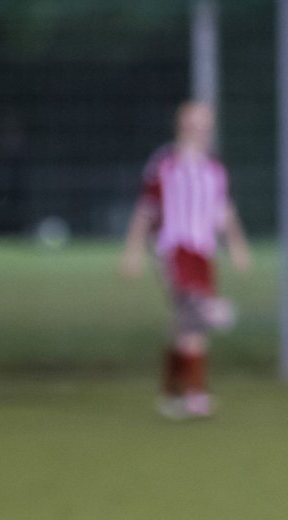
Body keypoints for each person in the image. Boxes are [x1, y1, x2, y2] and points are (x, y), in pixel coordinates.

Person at [121, 101, 249, 420]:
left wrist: (237, 245)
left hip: (203, 252)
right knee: (194, 316)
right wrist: (133, 252)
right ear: (182, 125)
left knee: (182, 323)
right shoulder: (164, 166)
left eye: (206, 124)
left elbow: (223, 211)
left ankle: (170, 392)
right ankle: (195, 393)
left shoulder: (215, 171)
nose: (200, 130)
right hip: (174, 250)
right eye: (194, 123)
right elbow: (146, 210)